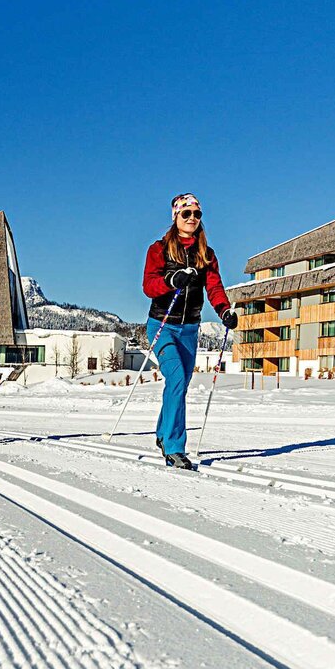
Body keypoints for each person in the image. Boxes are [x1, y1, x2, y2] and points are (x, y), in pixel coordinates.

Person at [142, 193, 238, 469]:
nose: (193, 219)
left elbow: (215, 287)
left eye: (197, 214)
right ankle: (174, 448)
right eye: (187, 214)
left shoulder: (206, 254)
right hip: (162, 324)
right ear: (176, 217)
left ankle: (162, 433)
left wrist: (224, 311)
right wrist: (173, 279)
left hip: (189, 328)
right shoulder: (159, 249)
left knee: (179, 385)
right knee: (176, 379)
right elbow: (149, 286)